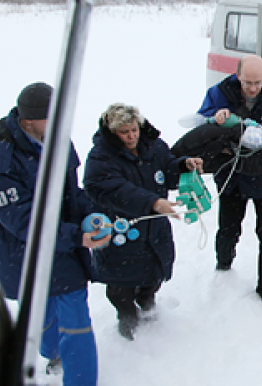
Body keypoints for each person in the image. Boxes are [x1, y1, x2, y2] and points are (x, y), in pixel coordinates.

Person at [0, 82, 110, 386]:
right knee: (41, 314)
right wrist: (77, 237)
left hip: (63, 247)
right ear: (28, 120)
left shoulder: (56, 139)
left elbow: (72, 192)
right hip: (22, 253)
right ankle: (53, 353)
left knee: (76, 321)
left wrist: (91, 215)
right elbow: (20, 221)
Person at [83, 103, 203, 340]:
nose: (131, 136)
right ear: (113, 132)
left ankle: (148, 306)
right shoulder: (100, 158)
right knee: (121, 290)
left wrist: (182, 165)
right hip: (122, 235)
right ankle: (128, 327)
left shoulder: (153, 146)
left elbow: (167, 168)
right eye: (124, 132)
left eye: (134, 130)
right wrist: (152, 203)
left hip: (153, 230)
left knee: (153, 277)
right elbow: (115, 189)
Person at [196, 54, 262, 310]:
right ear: (237, 75)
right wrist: (214, 118)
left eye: (258, 82)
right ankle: (223, 264)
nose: (253, 88)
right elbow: (200, 122)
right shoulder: (219, 93)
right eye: (247, 82)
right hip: (232, 176)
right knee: (228, 228)